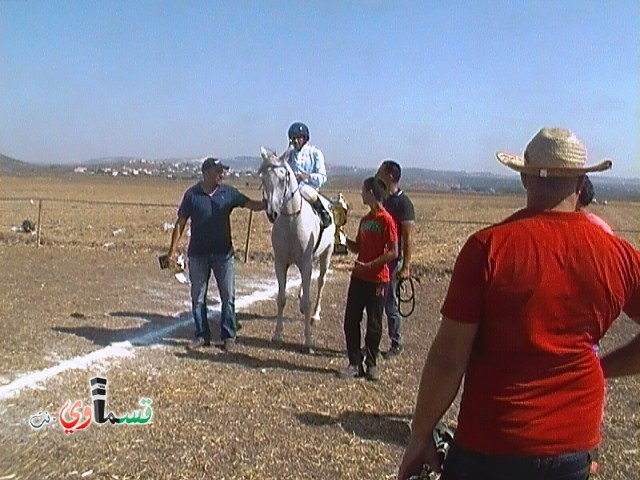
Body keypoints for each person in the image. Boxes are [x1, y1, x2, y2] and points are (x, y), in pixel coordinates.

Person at [398, 128, 640, 480]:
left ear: (525, 178)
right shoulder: (620, 255)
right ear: (581, 182)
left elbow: (449, 359)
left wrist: (421, 433)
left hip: (493, 444)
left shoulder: (487, 248)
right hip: (574, 449)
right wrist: (600, 369)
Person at [167, 157, 265, 352]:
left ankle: (229, 336)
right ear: (206, 172)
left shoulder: (228, 193)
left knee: (228, 295)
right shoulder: (192, 195)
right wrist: (172, 250)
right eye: (218, 170)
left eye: (224, 171)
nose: (223, 174)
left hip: (223, 255)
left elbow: (251, 205)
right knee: (198, 297)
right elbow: (181, 223)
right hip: (198, 255)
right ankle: (202, 335)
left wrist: (270, 201)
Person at [339, 177, 398, 381]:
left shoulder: (386, 220)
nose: (361, 194)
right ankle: (354, 363)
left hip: (377, 279)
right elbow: (359, 247)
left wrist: (371, 265)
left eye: (363, 190)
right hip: (359, 277)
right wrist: (343, 240)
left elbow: (393, 252)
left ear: (371, 192)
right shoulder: (365, 221)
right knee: (350, 321)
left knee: (374, 324)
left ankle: (371, 364)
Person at [376, 160, 416, 358]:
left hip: (393, 261)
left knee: (390, 303)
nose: (378, 174)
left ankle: (396, 342)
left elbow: (408, 238)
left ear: (390, 175)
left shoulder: (403, 204)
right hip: (380, 258)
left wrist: (406, 266)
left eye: (381, 171)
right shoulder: (384, 199)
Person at [285, 122, 332, 228]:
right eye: (293, 139)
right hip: (291, 191)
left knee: (305, 191)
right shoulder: (289, 155)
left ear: (305, 138)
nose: (295, 141)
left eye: (298, 138)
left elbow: (322, 177)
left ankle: (324, 215)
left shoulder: (315, 153)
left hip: (309, 189)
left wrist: (307, 176)